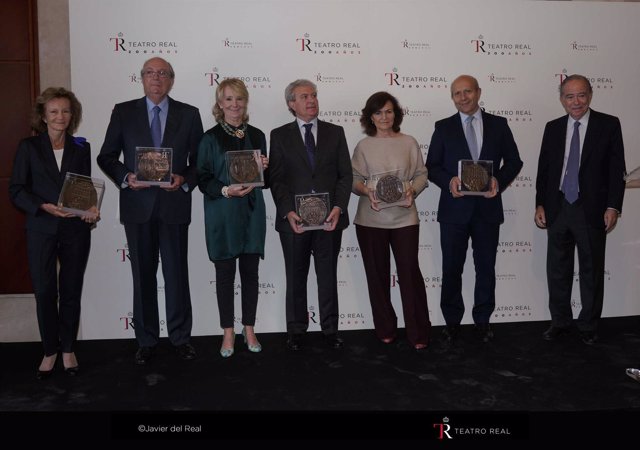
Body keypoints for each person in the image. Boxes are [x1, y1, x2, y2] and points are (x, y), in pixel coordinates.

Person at [97, 57, 204, 364]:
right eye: (150, 73)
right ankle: (146, 340)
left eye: (162, 74)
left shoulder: (189, 114)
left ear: (171, 80)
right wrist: (125, 178)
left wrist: (185, 179)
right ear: (141, 79)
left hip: (173, 205)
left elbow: (200, 161)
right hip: (138, 206)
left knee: (176, 275)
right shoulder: (123, 112)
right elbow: (106, 156)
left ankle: (181, 338)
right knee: (142, 275)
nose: (156, 78)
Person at [9, 87, 99, 378]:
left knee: (71, 291)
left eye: (66, 111)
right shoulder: (28, 147)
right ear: (43, 117)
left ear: (72, 115)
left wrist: (90, 208)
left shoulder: (81, 148)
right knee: (45, 292)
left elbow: (83, 188)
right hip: (41, 229)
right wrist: (44, 207)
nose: (60, 116)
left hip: (74, 230)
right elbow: (16, 191)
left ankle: (69, 349)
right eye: (54, 111)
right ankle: (50, 350)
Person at [426, 74, 523, 343]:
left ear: (478, 92)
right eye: (457, 93)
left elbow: (515, 161)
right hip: (454, 211)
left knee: (486, 268)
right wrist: (449, 181)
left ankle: (483, 321)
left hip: (487, 211)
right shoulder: (443, 127)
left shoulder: (499, 125)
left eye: (467, 91)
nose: (463, 97)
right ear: (452, 97)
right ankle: (452, 322)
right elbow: (431, 166)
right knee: (451, 268)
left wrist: (498, 181)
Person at [535, 74, 626, 345]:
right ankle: (560, 322)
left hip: (592, 209)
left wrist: (613, 206)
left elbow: (616, 169)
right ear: (562, 99)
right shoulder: (552, 127)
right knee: (557, 270)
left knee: (591, 270)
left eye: (581, 95)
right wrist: (540, 203)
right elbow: (545, 170)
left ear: (590, 95)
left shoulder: (608, 125)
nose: (576, 102)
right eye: (569, 96)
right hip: (559, 206)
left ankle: (588, 325)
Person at [269, 79, 352, 350]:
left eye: (314, 95)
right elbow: (277, 180)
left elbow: (345, 175)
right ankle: (296, 330)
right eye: (304, 96)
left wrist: (339, 207)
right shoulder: (279, 135)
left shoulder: (335, 132)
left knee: (327, 275)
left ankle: (330, 330)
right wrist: (287, 212)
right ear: (291, 104)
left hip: (330, 220)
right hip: (296, 222)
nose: (311, 100)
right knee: (295, 276)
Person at [351, 91, 431, 350]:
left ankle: (418, 332)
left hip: (405, 217)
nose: (384, 117)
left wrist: (412, 192)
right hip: (370, 219)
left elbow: (421, 175)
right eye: (378, 112)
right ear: (370, 117)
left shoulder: (409, 142)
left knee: (409, 273)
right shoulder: (363, 146)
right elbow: (353, 180)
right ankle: (385, 328)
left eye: (388, 111)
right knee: (377, 275)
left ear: (395, 114)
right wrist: (366, 191)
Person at [197, 78, 269, 358]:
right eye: (228, 99)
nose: (234, 104)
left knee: (251, 274)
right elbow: (202, 178)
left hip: (252, 212)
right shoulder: (209, 138)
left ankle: (248, 328)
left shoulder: (259, 135)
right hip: (222, 213)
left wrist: (265, 167)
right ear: (219, 104)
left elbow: (268, 181)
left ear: (245, 102)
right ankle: (227, 331)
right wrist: (226, 189)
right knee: (225, 276)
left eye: (239, 99)